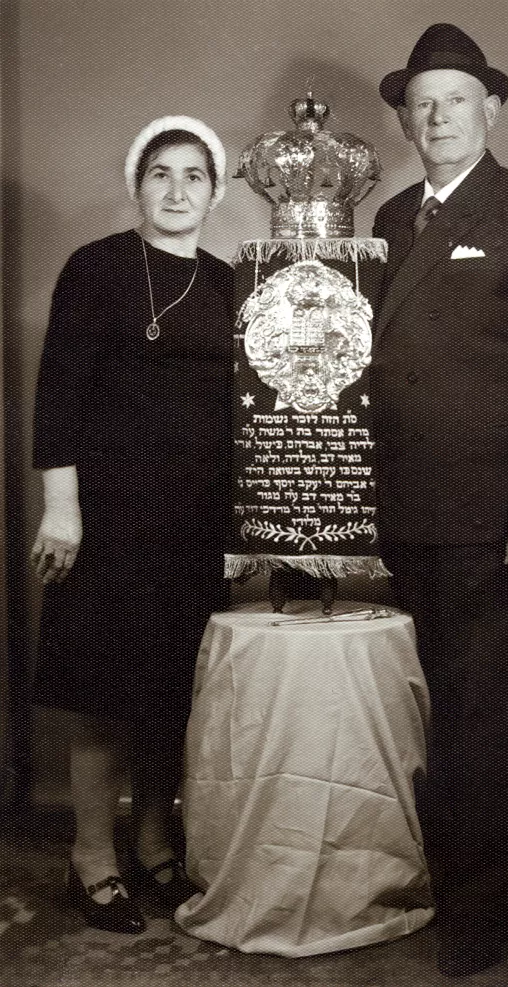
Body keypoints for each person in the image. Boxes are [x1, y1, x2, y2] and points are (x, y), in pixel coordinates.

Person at [370, 24, 508, 977]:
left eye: (455, 98)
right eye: (421, 102)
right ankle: (463, 874)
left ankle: (484, 906)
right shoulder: (384, 221)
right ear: (407, 120)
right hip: (402, 518)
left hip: (501, 521)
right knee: (427, 717)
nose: (436, 115)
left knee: (493, 718)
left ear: (490, 109)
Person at [30, 116, 233, 933]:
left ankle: (154, 845)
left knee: (170, 693)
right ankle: (91, 858)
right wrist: (61, 506)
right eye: (160, 173)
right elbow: (58, 392)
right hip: (108, 518)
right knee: (104, 694)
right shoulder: (97, 267)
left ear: (216, 194)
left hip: (195, 520)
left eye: (194, 175)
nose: (177, 189)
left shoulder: (228, 282)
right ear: (136, 186)